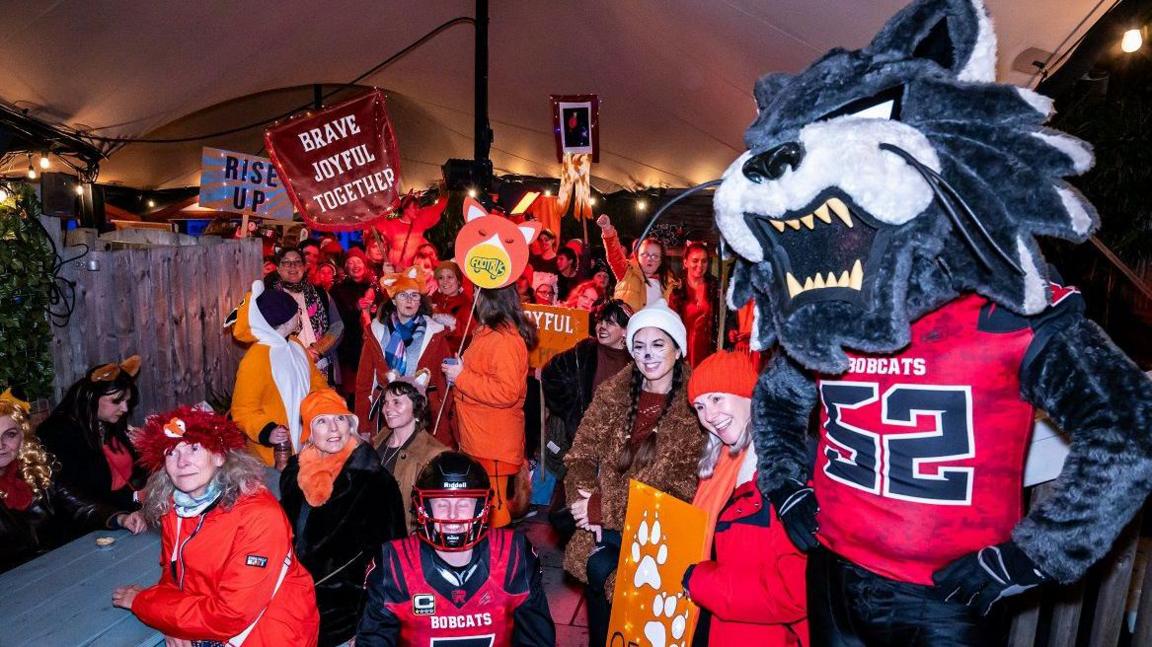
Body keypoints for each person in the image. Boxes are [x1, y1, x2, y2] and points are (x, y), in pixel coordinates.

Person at [112, 407, 319, 646]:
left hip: (270, 635)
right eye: (171, 452)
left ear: (220, 456)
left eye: (194, 448)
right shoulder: (175, 507)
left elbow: (231, 615)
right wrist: (170, 621)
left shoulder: (259, 516)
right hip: (209, 628)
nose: (182, 461)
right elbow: (174, 576)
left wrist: (145, 603)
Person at [563, 299, 704, 647]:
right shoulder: (613, 393)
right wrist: (582, 504)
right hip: (600, 543)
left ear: (678, 349)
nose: (648, 355)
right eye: (638, 346)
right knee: (602, 633)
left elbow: (682, 488)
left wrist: (603, 508)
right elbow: (579, 455)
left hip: (655, 549)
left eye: (658, 345)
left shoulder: (697, 406)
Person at [356, 452, 555, 646]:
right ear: (424, 507)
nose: (452, 515)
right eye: (442, 503)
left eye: (463, 503)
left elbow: (537, 638)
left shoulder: (513, 556)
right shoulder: (396, 565)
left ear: (481, 507)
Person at [682, 351, 808, 646]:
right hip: (714, 625)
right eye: (699, 406)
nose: (709, 416)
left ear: (747, 394)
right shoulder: (720, 463)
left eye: (717, 398)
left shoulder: (781, 473)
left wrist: (702, 583)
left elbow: (796, 590)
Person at [280, 388, 407, 647]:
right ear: (309, 433)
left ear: (351, 425)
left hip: (347, 617)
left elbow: (390, 557)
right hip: (295, 610)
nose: (334, 428)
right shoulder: (294, 476)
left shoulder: (373, 480)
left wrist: (368, 623)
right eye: (322, 421)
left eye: (340, 418)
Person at [2, 391, 144, 573]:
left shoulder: (35, 470)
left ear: (23, 437)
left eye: (10, 434)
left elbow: (76, 502)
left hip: (53, 566)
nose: (1, 445)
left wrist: (120, 517)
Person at [441, 285, 536, 529]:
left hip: (493, 441)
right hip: (481, 437)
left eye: (477, 292)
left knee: (495, 510)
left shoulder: (504, 340)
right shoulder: (487, 332)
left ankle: (498, 561)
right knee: (486, 504)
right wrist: (463, 369)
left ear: (489, 300)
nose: (472, 297)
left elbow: (506, 391)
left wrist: (461, 376)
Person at [540, 300, 632, 502]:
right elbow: (550, 375)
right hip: (584, 441)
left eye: (610, 323)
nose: (602, 327)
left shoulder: (636, 360)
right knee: (578, 499)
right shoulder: (585, 351)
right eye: (600, 321)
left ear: (625, 331)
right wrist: (571, 410)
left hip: (617, 448)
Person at [230, 281, 328, 466]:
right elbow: (243, 410)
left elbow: (315, 381)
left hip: (308, 447)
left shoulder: (295, 344)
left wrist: (327, 405)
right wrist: (267, 431)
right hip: (273, 457)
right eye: (296, 311)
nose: (300, 315)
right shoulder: (256, 359)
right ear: (285, 319)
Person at [37, 356, 150, 514]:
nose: (125, 408)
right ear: (92, 397)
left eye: (127, 401)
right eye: (116, 401)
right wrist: (132, 500)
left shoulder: (108, 422)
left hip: (125, 511)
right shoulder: (57, 432)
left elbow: (131, 471)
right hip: (91, 521)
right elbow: (78, 493)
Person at [357, 267, 454, 447]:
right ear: (393, 300)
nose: (409, 300)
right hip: (387, 413)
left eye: (414, 295)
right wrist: (363, 424)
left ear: (420, 300)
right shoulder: (377, 332)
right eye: (403, 295)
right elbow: (364, 383)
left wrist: (449, 425)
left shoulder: (435, 333)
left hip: (423, 413)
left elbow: (445, 384)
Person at [371, 372, 449, 532]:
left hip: (403, 542)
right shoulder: (376, 443)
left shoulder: (433, 455)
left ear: (416, 406)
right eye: (385, 402)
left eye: (396, 402)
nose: (388, 409)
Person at [264, 248, 344, 380]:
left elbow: (337, 326)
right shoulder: (270, 296)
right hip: (286, 368)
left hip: (320, 366)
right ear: (278, 268)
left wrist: (317, 350)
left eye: (297, 262)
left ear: (304, 266)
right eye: (286, 262)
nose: (293, 266)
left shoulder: (320, 293)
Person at [596, 214, 679, 312]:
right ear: (637, 256)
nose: (650, 259)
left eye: (655, 256)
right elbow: (614, 254)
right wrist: (607, 229)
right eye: (645, 254)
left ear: (661, 261)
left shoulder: (669, 285)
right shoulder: (627, 272)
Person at [330, 247, 378, 403]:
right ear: (346, 267)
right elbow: (337, 318)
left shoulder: (376, 288)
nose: (355, 265)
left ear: (365, 265)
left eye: (358, 261)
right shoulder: (338, 290)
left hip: (373, 346)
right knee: (353, 391)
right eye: (351, 263)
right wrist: (356, 308)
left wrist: (374, 309)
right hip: (349, 349)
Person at [675, 242, 719, 367]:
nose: (700, 265)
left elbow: (721, 320)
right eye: (695, 260)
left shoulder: (715, 288)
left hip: (708, 349)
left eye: (704, 261)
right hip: (683, 348)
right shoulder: (676, 289)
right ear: (685, 263)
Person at [429, 260, 474, 352]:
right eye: (441, 277)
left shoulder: (466, 304)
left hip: (452, 357)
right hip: (432, 353)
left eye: (450, 277)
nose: (445, 281)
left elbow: (468, 334)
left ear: (458, 280)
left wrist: (451, 322)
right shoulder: (434, 298)